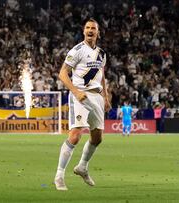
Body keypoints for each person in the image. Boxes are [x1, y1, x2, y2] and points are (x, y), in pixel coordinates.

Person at [54, 19, 111, 191]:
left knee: (97, 138)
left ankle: (82, 167)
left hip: (97, 97)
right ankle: (59, 176)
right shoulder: (77, 50)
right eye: (87, 28)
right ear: (83, 31)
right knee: (75, 135)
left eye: (93, 28)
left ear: (98, 32)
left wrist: (106, 96)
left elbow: (101, 75)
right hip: (80, 96)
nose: (90, 30)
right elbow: (63, 74)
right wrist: (76, 92)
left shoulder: (102, 53)